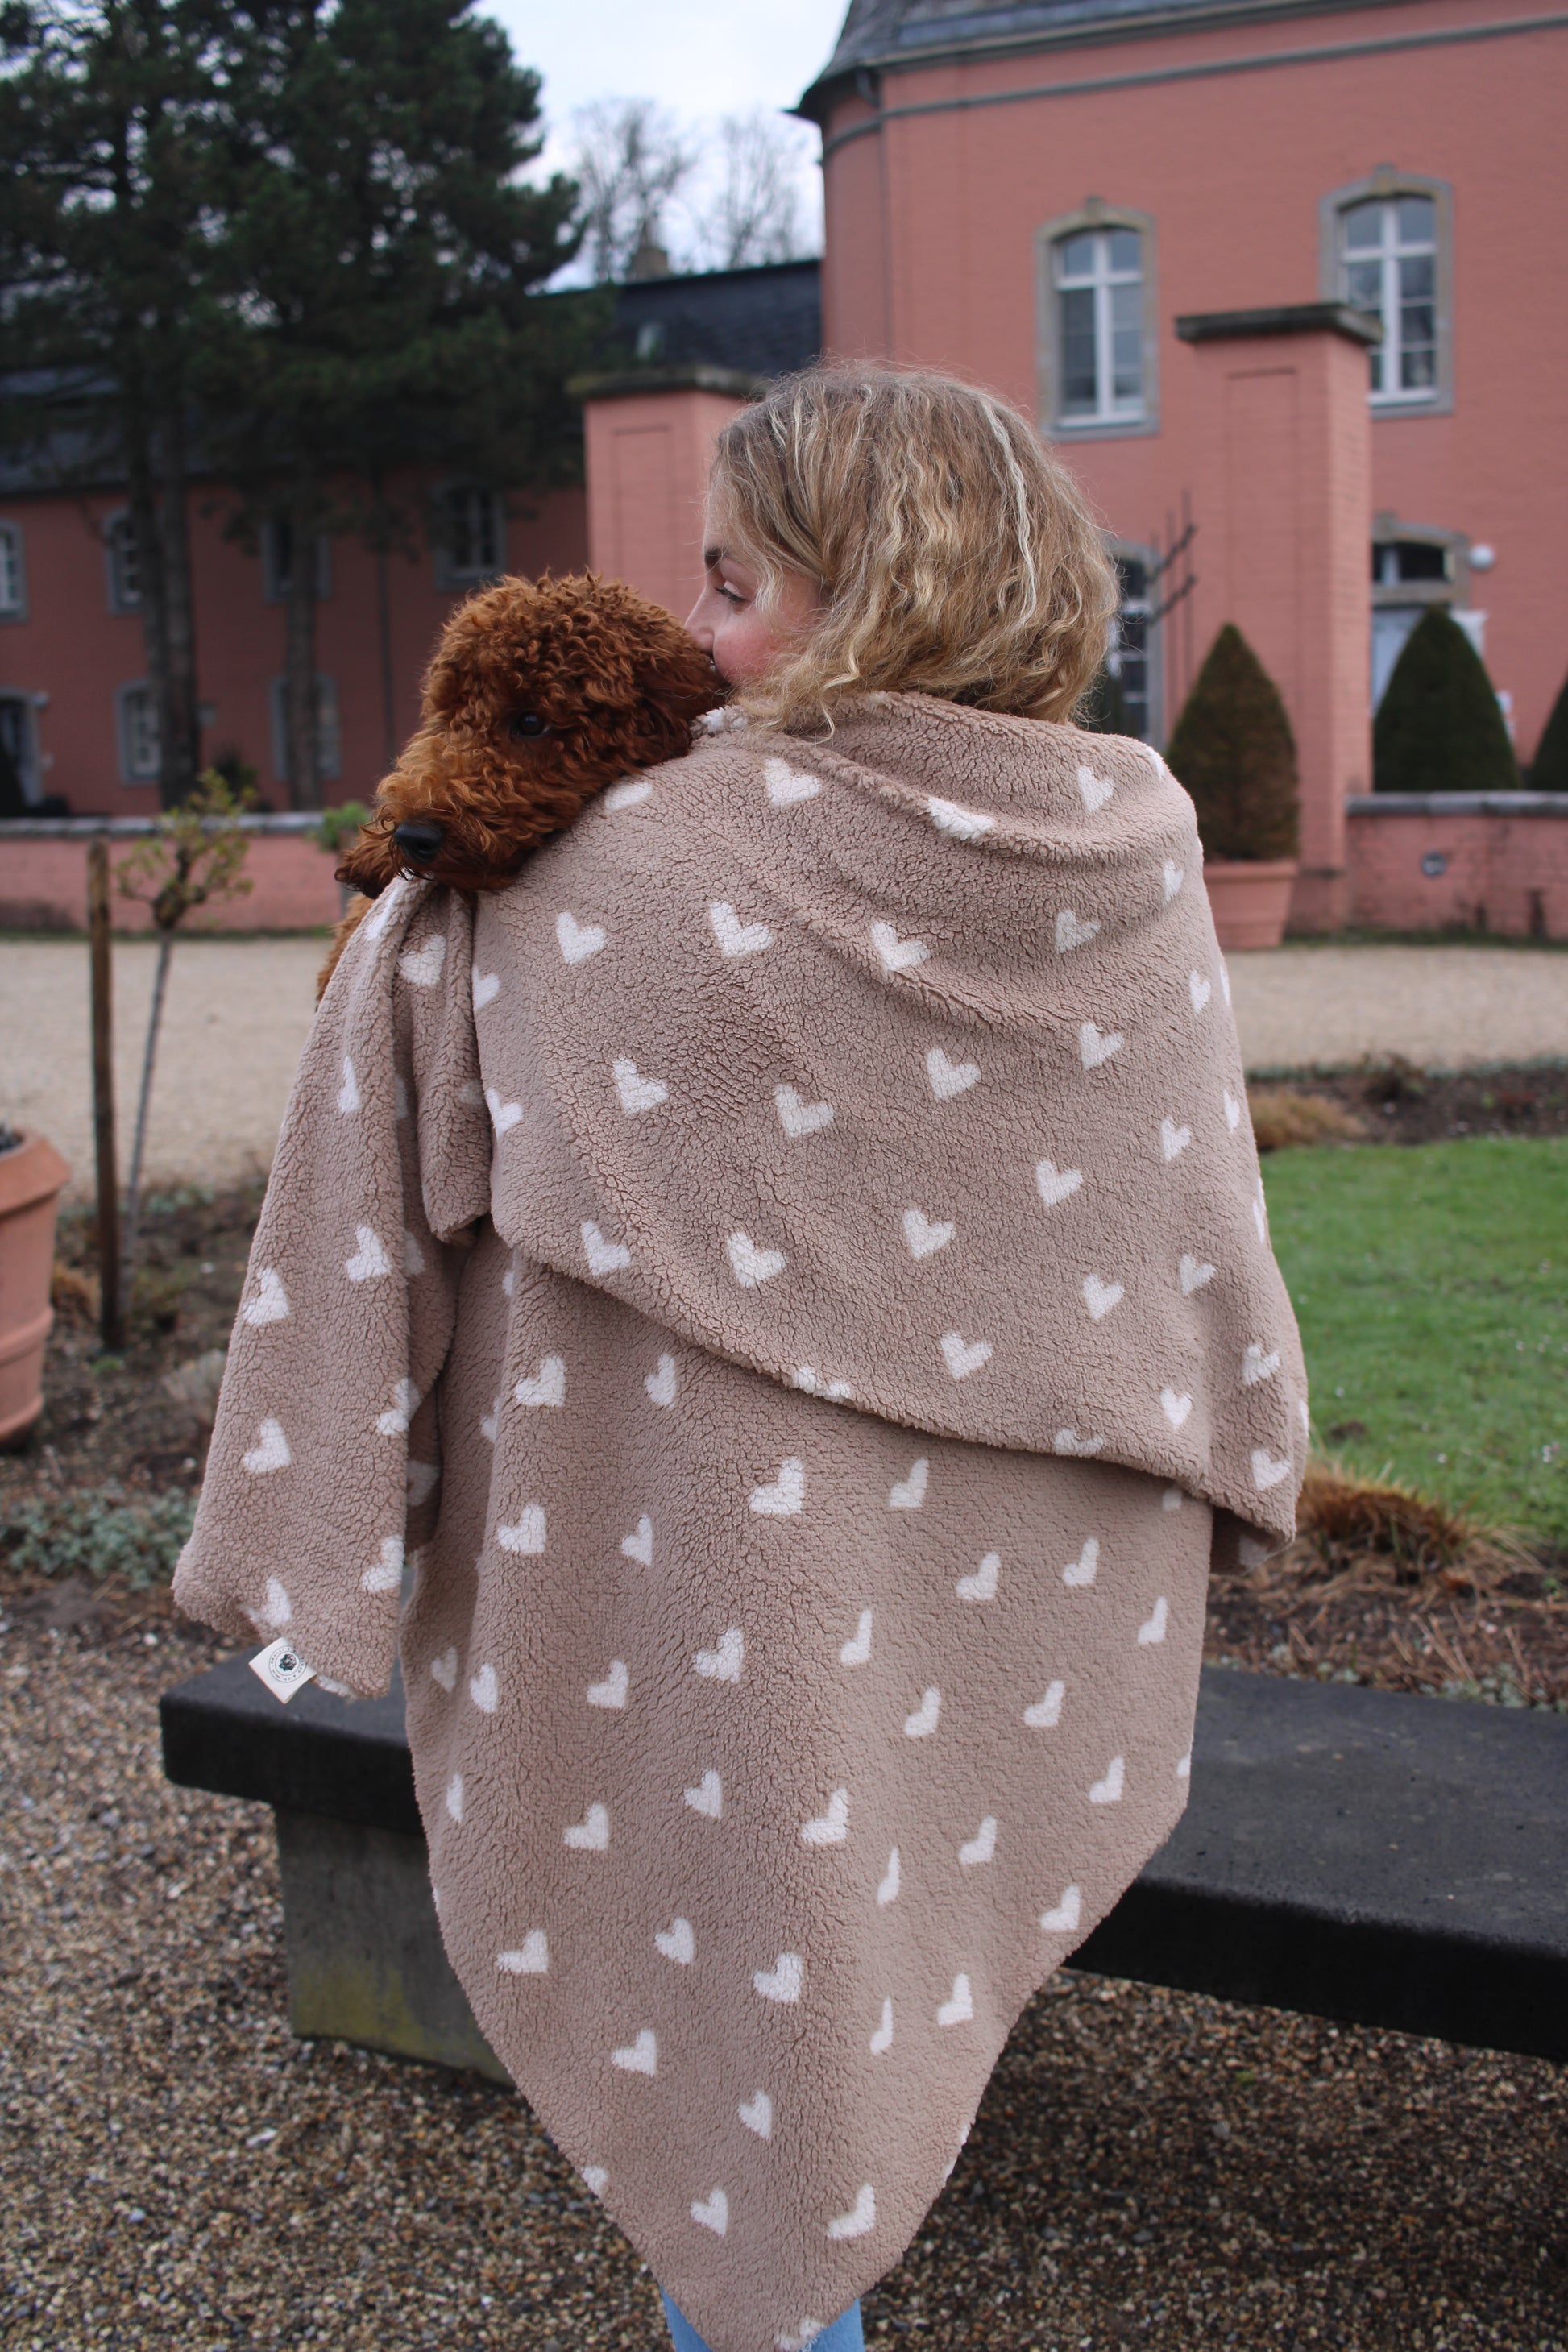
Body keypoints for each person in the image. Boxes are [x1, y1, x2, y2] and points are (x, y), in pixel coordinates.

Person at [176, 363, 1306, 2352]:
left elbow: (387, 1137)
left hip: (671, 1578)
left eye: (732, 584)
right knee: (805, 2005)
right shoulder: (1130, 853)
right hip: (952, 1581)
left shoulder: (606, 869)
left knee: (751, 2007)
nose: (691, 634)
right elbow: (1185, 1249)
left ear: (882, 589)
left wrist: (323, 1522)